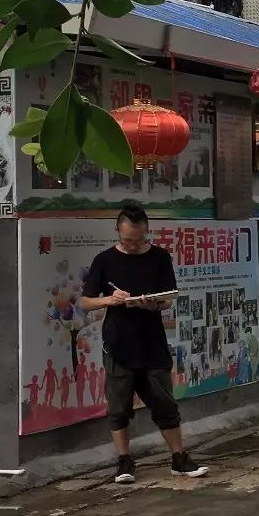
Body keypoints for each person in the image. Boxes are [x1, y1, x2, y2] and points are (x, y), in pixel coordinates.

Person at [81, 203, 208, 484]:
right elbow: (85, 300)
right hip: (118, 343)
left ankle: (178, 458)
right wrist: (110, 300)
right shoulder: (104, 260)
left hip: (151, 341)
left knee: (164, 403)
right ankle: (124, 461)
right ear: (118, 230)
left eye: (139, 240)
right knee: (118, 407)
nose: (133, 245)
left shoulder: (160, 257)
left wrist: (155, 304)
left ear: (147, 232)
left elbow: (168, 297)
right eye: (128, 240)